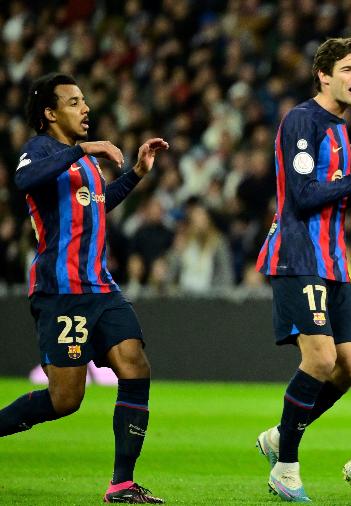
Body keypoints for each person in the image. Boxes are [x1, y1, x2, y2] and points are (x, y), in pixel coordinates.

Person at [0, 72, 167, 504]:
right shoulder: (39, 150)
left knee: (135, 365)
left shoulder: (84, 163)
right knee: (65, 399)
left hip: (100, 287)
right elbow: (23, 181)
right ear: (50, 113)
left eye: (84, 100)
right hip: (61, 290)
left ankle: (122, 483)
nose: (85, 108)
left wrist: (135, 174)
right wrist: (81, 149)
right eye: (74, 102)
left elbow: (97, 204)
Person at [253, 37, 351, 503]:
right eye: (347, 69)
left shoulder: (341, 130)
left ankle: (278, 435)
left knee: (348, 368)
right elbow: (303, 196)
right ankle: (285, 465)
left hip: (334, 262)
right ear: (323, 75)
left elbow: (341, 191)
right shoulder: (303, 121)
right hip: (298, 255)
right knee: (321, 360)